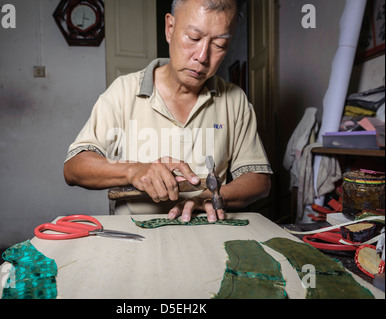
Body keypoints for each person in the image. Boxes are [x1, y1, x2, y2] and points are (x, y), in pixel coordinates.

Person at [63, 0, 273, 223]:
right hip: (137, 237)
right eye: (193, 38)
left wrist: (211, 198)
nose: (202, 56)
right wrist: (133, 171)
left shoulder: (234, 100)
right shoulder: (124, 91)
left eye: (219, 45)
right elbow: (74, 167)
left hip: (210, 233)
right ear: (170, 28)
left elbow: (259, 180)